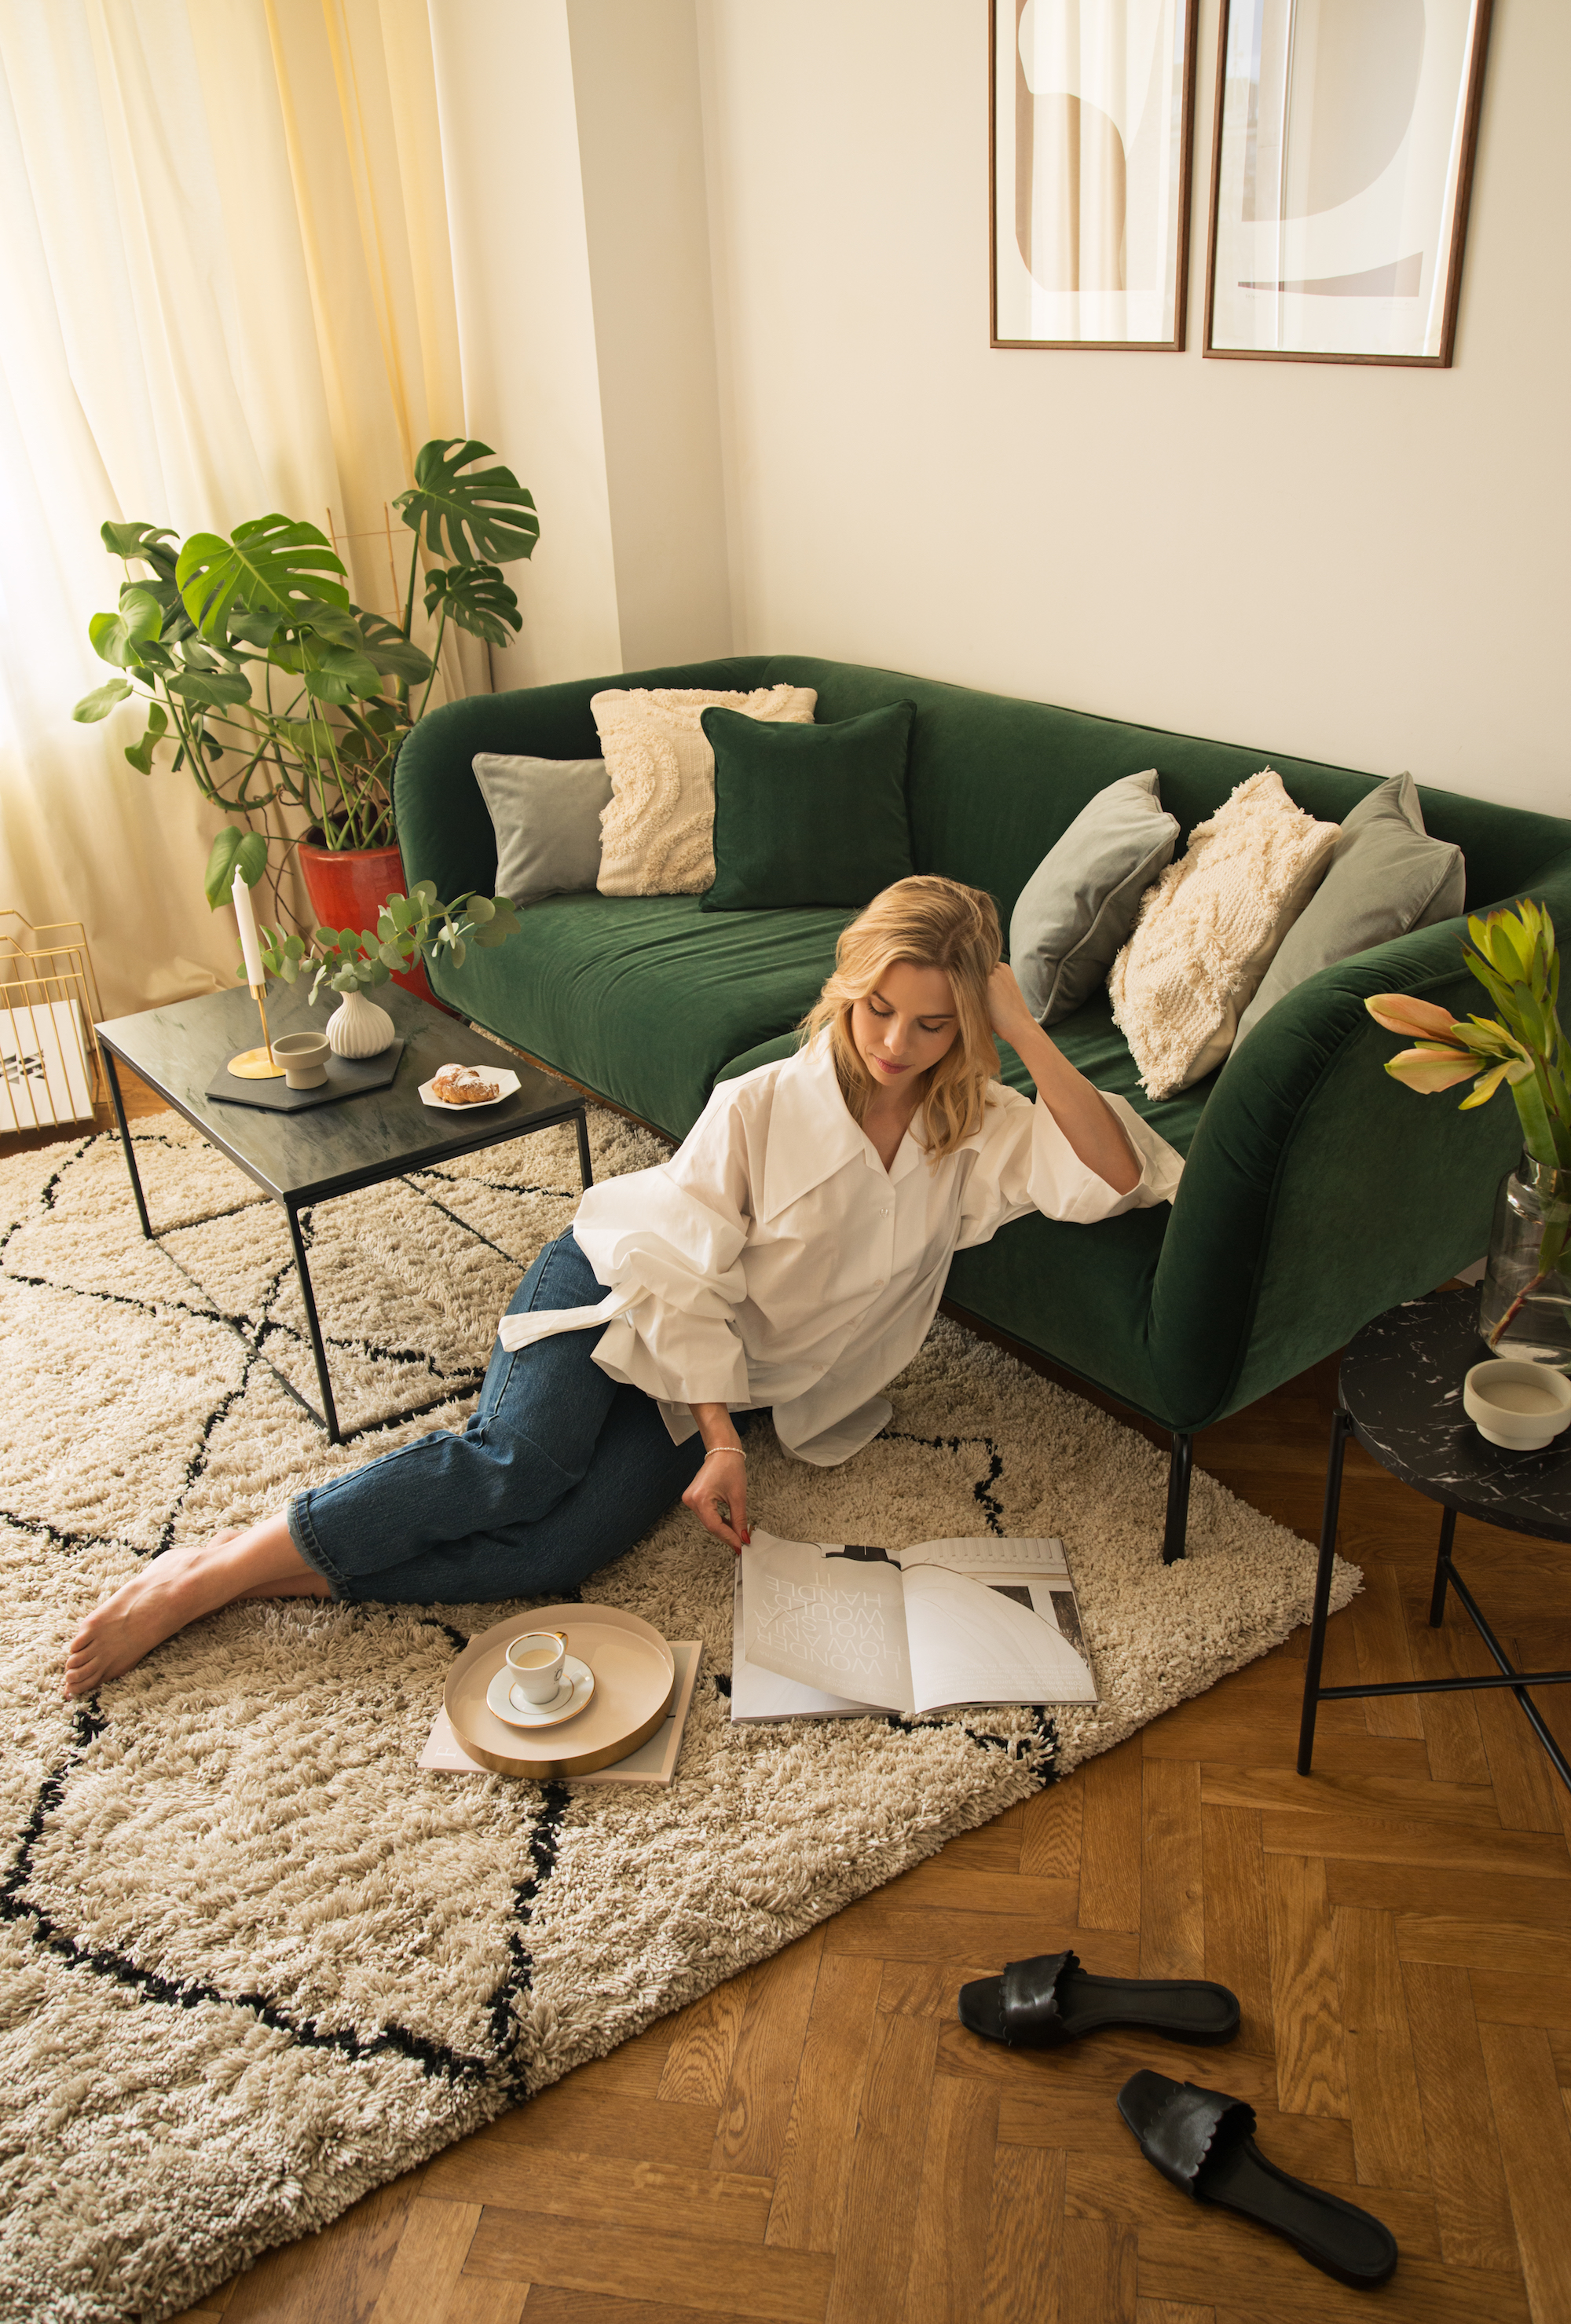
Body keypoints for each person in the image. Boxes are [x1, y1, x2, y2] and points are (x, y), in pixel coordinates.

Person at [64, 875, 1181, 1697]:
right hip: (616, 1280)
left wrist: (1021, 1027)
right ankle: (204, 1575)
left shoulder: (976, 1127)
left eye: (935, 1024)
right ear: (847, 991)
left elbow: (1115, 1174)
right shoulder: (763, 1105)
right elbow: (678, 1270)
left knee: (563, 1549)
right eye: (877, 1008)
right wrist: (723, 1440)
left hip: (719, 1374)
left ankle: (278, 1576)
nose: (897, 1041)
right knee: (523, 1465)